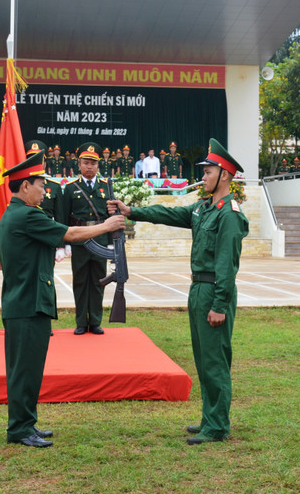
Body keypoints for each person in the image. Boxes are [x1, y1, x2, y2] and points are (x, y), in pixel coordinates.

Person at [108, 138, 248, 445]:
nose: (204, 176)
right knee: (202, 358)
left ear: (225, 175)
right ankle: (209, 418)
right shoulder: (204, 207)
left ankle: (218, 425)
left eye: (209, 171)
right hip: (198, 288)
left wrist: (221, 304)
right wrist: (131, 211)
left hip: (214, 291)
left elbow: (227, 265)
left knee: (215, 361)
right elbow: (167, 214)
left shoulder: (229, 214)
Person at [0, 150, 125, 448]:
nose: (45, 191)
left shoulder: (19, 213)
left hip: (28, 301)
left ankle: (27, 423)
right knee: (24, 370)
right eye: (41, 185)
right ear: (25, 186)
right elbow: (70, 233)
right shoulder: (27, 215)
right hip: (28, 303)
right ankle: (19, 428)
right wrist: (107, 226)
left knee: (29, 368)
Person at [55, 143, 111, 335]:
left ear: (98, 166)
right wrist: (65, 243)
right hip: (79, 241)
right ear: (79, 164)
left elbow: (111, 216)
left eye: (93, 163)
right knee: (80, 281)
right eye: (86, 163)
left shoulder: (106, 187)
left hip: (100, 239)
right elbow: (63, 217)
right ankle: (81, 322)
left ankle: (95, 321)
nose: (89, 167)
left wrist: (111, 242)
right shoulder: (70, 189)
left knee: (98, 281)